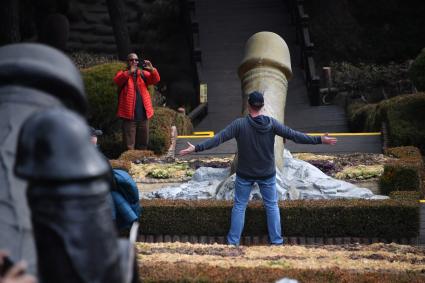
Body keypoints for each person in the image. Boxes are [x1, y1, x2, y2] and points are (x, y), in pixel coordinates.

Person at [179, 91, 337, 245]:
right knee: (272, 205)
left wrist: (196, 148)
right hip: (267, 174)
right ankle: (276, 241)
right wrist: (320, 139)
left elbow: (218, 139)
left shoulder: (239, 124)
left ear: (248, 106)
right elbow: (295, 135)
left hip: (244, 174)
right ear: (262, 106)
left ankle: (233, 242)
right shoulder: (271, 123)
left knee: (240, 206)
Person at [89, 127, 141, 232]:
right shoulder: (94, 155)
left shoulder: (88, 154)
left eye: (96, 136)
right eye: (94, 136)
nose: (96, 138)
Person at [114, 53, 160, 150]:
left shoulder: (142, 73)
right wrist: (129, 72)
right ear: (128, 62)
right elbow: (118, 81)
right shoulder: (123, 73)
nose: (134, 61)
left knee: (143, 144)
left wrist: (152, 69)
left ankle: (142, 163)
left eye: (136, 60)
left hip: (143, 116)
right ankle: (130, 163)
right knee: (129, 145)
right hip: (129, 117)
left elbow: (155, 80)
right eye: (131, 60)